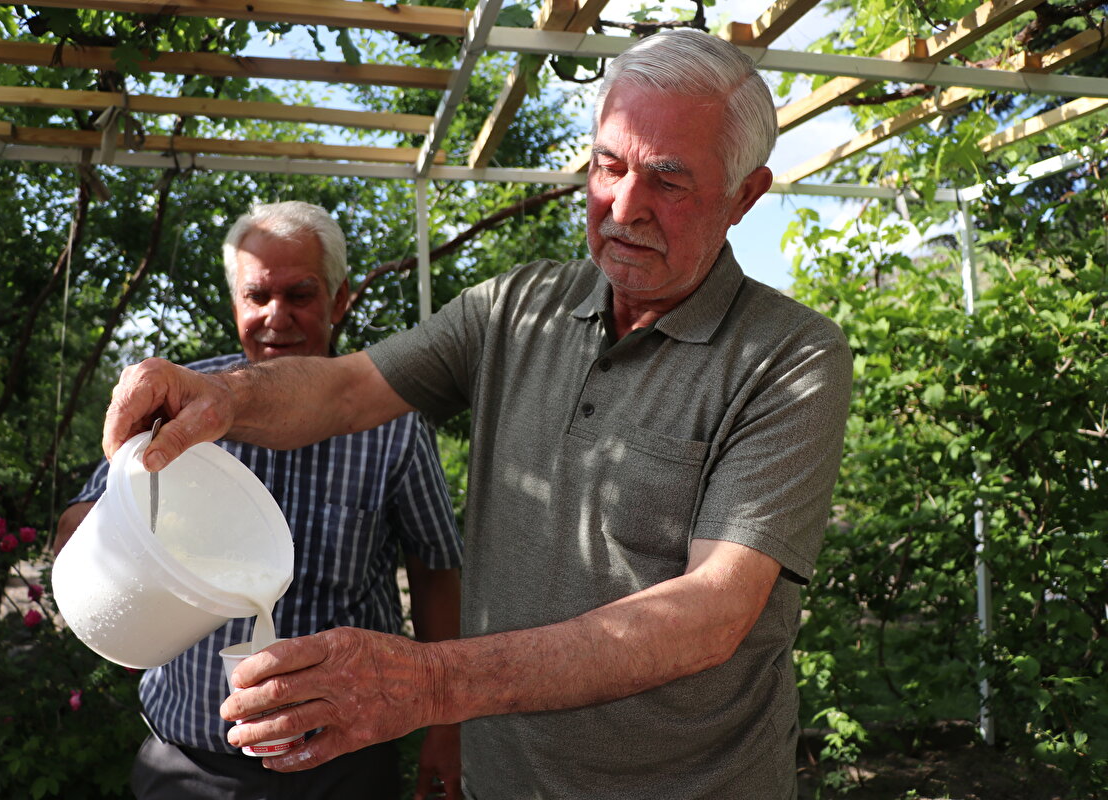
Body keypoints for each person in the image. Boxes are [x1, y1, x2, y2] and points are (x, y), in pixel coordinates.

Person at [99, 30, 853, 800]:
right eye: (608, 166)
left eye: (668, 180)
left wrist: (428, 686)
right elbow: (346, 389)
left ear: (745, 196)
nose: (625, 207)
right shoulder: (518, 308)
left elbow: (710, 612)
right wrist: (224, 396)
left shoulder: (789, 357)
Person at [55, 201, 464, 800]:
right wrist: (105, 553)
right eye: (258, 297)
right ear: (235, 303)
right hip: (189, 763)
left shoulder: (393, 427)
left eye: (300, 294)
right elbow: (79, 521)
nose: (278, 317)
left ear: (340, 298)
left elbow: (435, 572)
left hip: (343, 765)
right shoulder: (178, 404)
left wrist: (445, 722)